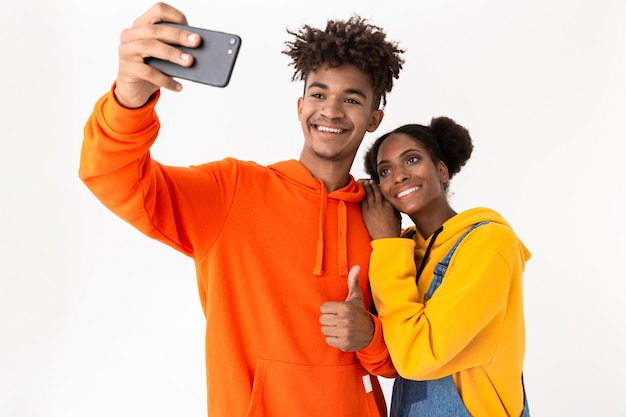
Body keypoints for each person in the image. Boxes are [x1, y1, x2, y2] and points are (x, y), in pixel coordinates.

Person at [79, 3, 405, 416]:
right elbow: (112, 175)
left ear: (374, 118)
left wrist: (369, 336)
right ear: (300, 106)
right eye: (319, 94)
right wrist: (129, 96)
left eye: (351, 100)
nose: (331, 111)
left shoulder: (382, 219)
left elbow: (403, 358)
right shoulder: (232, 191)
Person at [360, 117, 531, 416]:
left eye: (411, 160)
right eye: (385, 171)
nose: (398, 176)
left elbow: (418, 356)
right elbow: (391, 351)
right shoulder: (402, 249)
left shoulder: (487, 242)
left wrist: (387, 245)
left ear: (441, 170)